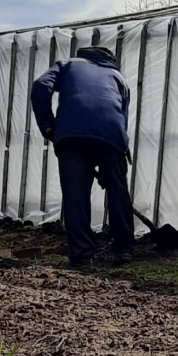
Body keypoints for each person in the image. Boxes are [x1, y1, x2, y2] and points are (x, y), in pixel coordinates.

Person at [30, 46, 135, 266]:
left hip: (72, 136)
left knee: (76, 194)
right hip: (111, 136)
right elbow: (122, 117)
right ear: (110, 61)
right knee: (118, 192)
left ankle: (82, 254)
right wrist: (117, 157)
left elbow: (40, 85)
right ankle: (123, 249)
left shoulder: (67, 65)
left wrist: (48, 126)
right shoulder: (118, 77)